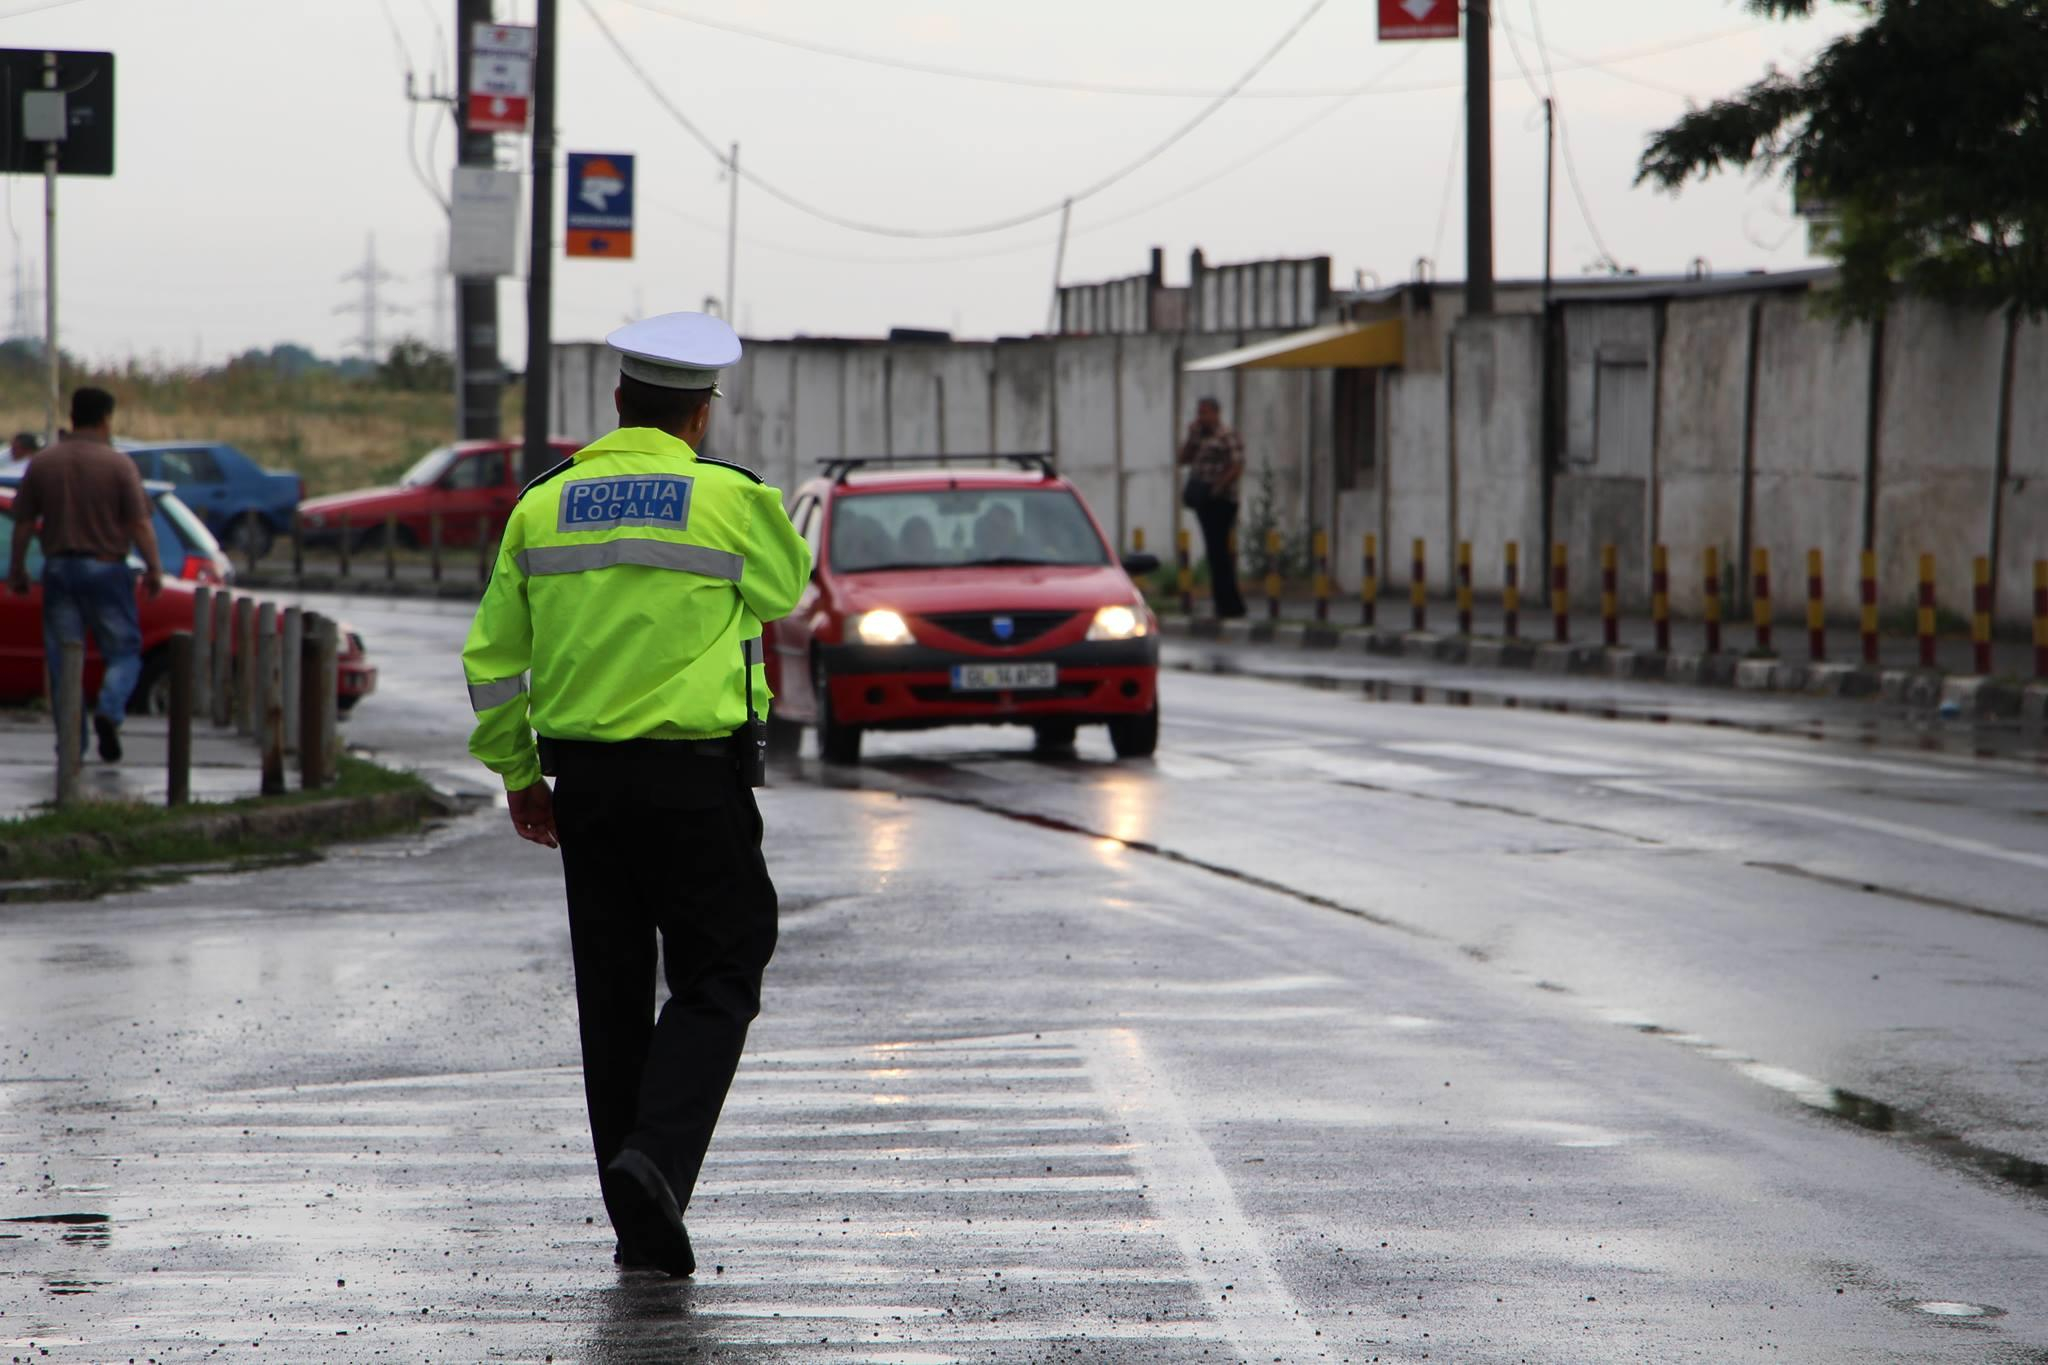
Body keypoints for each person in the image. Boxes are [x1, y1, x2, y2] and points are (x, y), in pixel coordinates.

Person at [461, 312, 809, 1279]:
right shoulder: (729, 500)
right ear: (700, 416)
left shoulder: (542, 504)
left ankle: (638, 1220)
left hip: (588, 792)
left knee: (611, 997)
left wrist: (520, 774)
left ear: (618, 402)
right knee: (726, 967)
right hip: (697, 783)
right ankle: (655, 1158)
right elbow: (784, 590)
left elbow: (492, 662)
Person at [7, 387, 163, 761]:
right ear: (105, 419)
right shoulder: (118, 465)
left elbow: (24, 524)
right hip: (107, 568)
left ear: (74, 416)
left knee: (64, 661)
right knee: (124, 651)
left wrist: (18, 571)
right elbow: (139, 524)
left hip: (59, 569)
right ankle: (109, 709)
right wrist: (154, 568)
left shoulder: (44, 463)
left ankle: (71, 746)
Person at [1177, 396, 1247, 618]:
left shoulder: (1227, 436)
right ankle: (1223, 603)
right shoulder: (1200, 437)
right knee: (1214, 553)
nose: (1202, 418)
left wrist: (1217, 487)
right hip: (1204, 502)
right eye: (1200, 413)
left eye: (1206, 413)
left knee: (1220, 553)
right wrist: (1191, 437)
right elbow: (1183, 459)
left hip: (1222, 501)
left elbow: (1236, 466)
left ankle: (1231, 605)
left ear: (1216, 413)